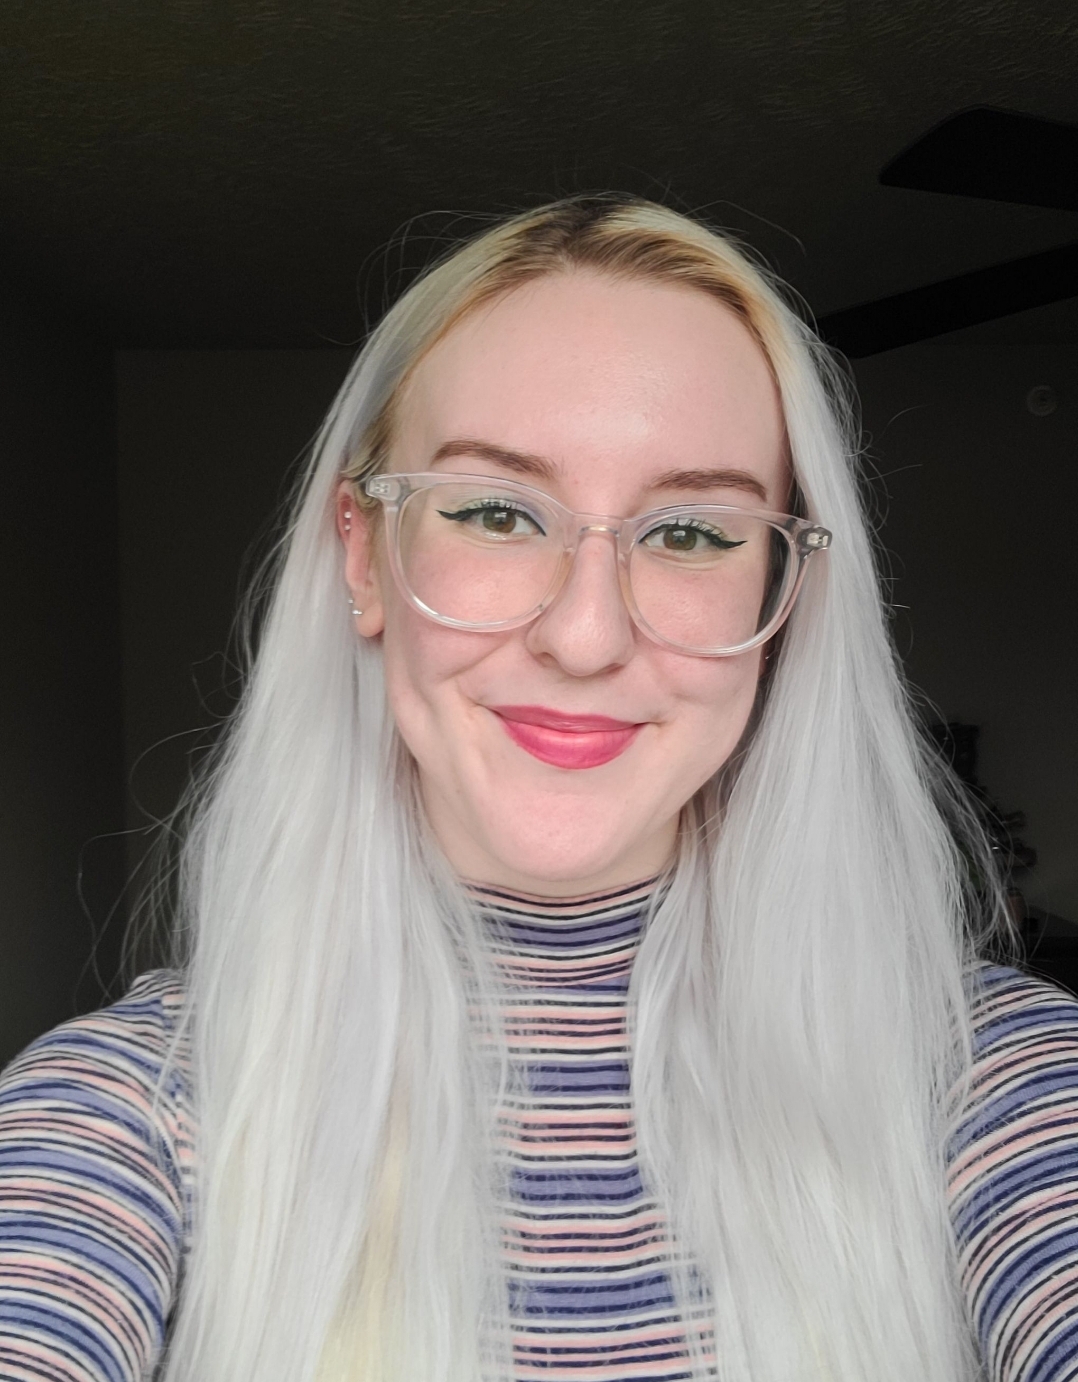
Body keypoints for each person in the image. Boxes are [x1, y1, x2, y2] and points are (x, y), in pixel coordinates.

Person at [1, 195, 1076, 1382]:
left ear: (783, 591)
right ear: (363, 554)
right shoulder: (125, 1111)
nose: (584, 634)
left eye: (691, 532)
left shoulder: (990, 1078)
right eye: (498, 511)